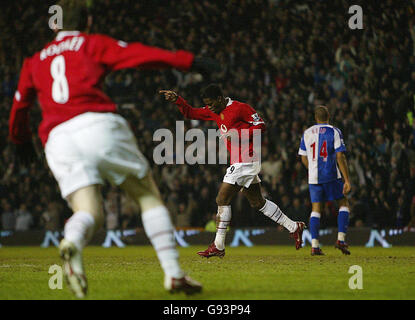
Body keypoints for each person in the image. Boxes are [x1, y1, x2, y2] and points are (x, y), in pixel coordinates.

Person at [8, 0, 218, 298]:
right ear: (88, 21)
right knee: (147, 195)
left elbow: (19, 106)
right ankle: (173, 273)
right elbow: (139, 55)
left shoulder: (34, 60)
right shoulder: (92, 44)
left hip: (58, 138)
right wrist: (189, 61)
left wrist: (19, 140)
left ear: (55, 25)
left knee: (88, 210)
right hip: (97, 124)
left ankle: (72, 241)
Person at [160, 84, 306, 258]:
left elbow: (261, 125)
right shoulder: (213, 110)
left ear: (220, 99)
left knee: (222, 198)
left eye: (211, 104)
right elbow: (191, 112)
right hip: (240, 161)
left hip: (247, 159)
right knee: (257, 202)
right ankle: (293, 226)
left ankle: (218, 245)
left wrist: (238, 134)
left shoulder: (240, 108)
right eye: (207, 104)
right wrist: (178, 100)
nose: (210, 107)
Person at [298, 105, 352, 256]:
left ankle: (315, 245)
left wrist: (313, 169)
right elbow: (340, 155)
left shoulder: (307, 133)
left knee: (316, 209)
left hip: (313, 178)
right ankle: (341, 239)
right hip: (331, 175)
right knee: (343, 203)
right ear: (329, 116)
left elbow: (303, 157)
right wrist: (347, 179)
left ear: (316, 118)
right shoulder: (334, 131)